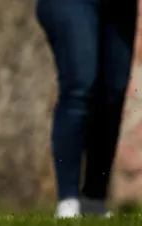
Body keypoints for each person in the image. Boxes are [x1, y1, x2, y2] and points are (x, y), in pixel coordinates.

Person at [36, 0, 137, 218]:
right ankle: (68, 201)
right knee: (80, 86)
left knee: (113, 93)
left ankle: (95, 198)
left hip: (120, 7)